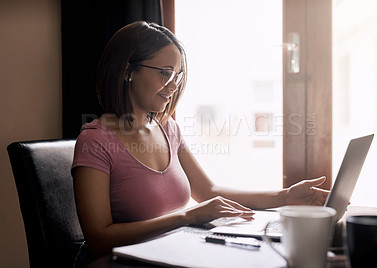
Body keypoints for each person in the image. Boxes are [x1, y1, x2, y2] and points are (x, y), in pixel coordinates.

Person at [72, 21, 329, 265]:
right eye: (165, 73)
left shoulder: (168, 128)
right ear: (128, 70)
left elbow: (208, 191)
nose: (173, 85)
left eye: (178, 75)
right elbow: (99, 239)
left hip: (167, 254)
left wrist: (286, 196)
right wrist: (187, 217)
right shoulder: (95, 140)